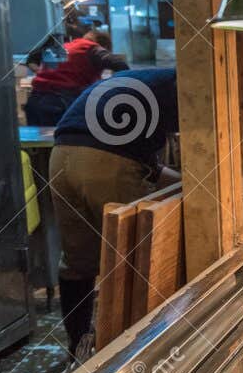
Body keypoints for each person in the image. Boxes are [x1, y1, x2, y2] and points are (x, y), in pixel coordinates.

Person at [49, 68, 180, 353]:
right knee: (133, 257)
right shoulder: (187, 87)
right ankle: (132, 351)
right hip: (107, 161)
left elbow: (150, 168)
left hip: (61, 156)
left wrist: (186, 182)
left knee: (77, 261)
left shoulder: (149, 83)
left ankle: (79, 348)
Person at [24, 28, 127, 126]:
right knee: (66, 140)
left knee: (38, 142)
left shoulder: (66, 46)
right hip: (59, 102)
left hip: (34, 100)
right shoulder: (91, 48)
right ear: (103, 45)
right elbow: (120, 64)